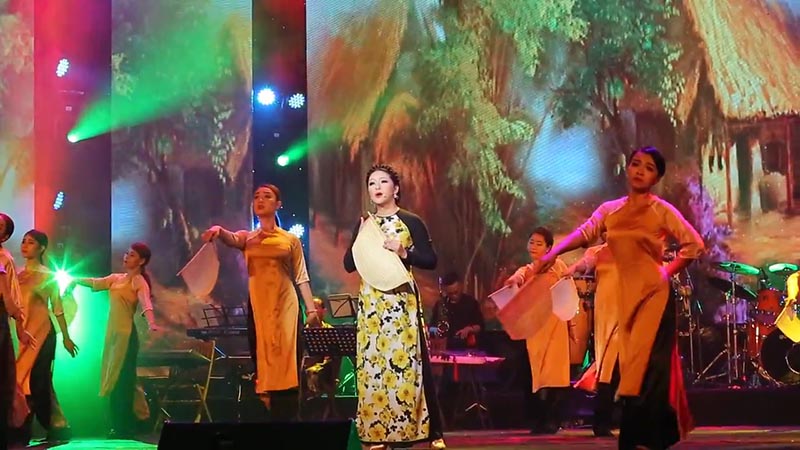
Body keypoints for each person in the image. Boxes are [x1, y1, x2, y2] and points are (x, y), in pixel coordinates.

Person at [533, 146, 703, 450]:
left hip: (652, 297)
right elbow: (585, 232)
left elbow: (694, 245)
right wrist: (554, 252)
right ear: (628, 168)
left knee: (646, 373)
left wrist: (665, 272)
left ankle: (647, 438)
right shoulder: (610, 210)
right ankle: (637, 439)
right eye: (636, 164)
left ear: (656, 178)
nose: (640, 171)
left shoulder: (661, 210)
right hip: (624, 299)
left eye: (649, 168)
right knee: (628, 372)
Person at [343, 164, 445, 450]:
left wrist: (403, 251)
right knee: (373, 370)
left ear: (396, 189)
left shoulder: (410, 221)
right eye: (372, 183)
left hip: (400, 305)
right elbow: (349, 264)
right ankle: (376, 434)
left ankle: (408, 432)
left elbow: (430, 260)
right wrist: (360, 238)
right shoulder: (365, 223)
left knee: (404, 368)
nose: (377, 187)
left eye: (383, 182)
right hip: (371, 307)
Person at [202, 184, 320, 420]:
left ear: (278, 204)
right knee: (263, 358)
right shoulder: (248, 238)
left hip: (286, 305)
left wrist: (311, 310)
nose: (260, 200)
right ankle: (269, 410)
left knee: (287, 359)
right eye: (256, 196)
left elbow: (301, 276)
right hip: (260, 306)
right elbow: (231, 238)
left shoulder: (290, 239)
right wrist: (218, 230)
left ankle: (289, 414)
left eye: (267, 196)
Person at [67, 242, 159, 438]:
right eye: (127, 253)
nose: (126, 257)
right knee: (115, 377)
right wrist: (74, 280)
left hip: (126, 336)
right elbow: (95, 282)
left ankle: (124, 427)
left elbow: (146, 303)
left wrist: (152, 323)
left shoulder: (138, 281)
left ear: (141, 261)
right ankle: (131, 422)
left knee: (123, 380)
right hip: (113, 335)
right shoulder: (116, 278)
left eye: (132, 255)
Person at [505, 227, 573, 435]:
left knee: (554, 374)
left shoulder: (558, 266)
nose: (533, 246)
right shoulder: (528, 270)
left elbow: (568, 293)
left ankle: (552, 419)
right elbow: (519, 276)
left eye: (539, 243)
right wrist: (514, 281)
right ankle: (539, 419)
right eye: (531, 242)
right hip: (535, 328)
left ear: (549, 248)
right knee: (536, 373)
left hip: (555, 326)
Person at [12, 230, 77, 444]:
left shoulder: (47, 275)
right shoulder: (17, 274)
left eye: (31, 242)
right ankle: (54, 426)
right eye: (23, 241)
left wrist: (66, 337)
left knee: (37, 382)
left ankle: (44, 428)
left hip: (42, 335)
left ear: (41, 248)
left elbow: (57, 309)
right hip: (21, 335)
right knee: (20, 381)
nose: (25, 245)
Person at [565, 233, 619, 437]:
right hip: (606, 315)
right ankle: (602, 422)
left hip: (631, 312)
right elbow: (583, 264)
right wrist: (570, 270)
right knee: (606, 367)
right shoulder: (597, 252)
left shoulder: (633, 250)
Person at [0, 213, 34, 450]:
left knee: (5, 380)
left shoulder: (5, 259)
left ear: (4, 236)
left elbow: (12, 297)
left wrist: (20, 326)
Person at [301, 297, 342, 419]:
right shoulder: (302, 331)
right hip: (304, 366)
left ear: (323, 311)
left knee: (313, 373)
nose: (311, 311)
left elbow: (335, 357)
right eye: (309, 309)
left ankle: (320, 411)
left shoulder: (329, 331)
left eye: (315, 308)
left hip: (325, 368)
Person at [430, 272, 484, 351]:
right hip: (445, 347)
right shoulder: (440, 304)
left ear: (461, 286)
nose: (454, 296)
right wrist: (436, 331)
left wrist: (469, 329)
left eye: (456, 292)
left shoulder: (471, 302)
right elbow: (432, 327)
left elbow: (480, 326)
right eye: (450, 293)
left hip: (466, 347)